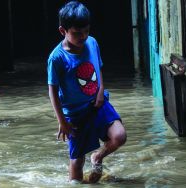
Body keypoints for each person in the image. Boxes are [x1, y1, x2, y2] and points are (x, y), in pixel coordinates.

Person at [47, 1, 126, 184]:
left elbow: (98, 68)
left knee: (119, 136)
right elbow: (53, 90)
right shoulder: (57, 58)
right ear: (62, 31)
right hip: (75, 114)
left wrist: (101, 89)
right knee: (77, 161)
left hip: (98, 104)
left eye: (86, 31)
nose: (83, 37)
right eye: (76, 33)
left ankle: (98, 157)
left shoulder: (92, 42)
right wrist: (62, 121)